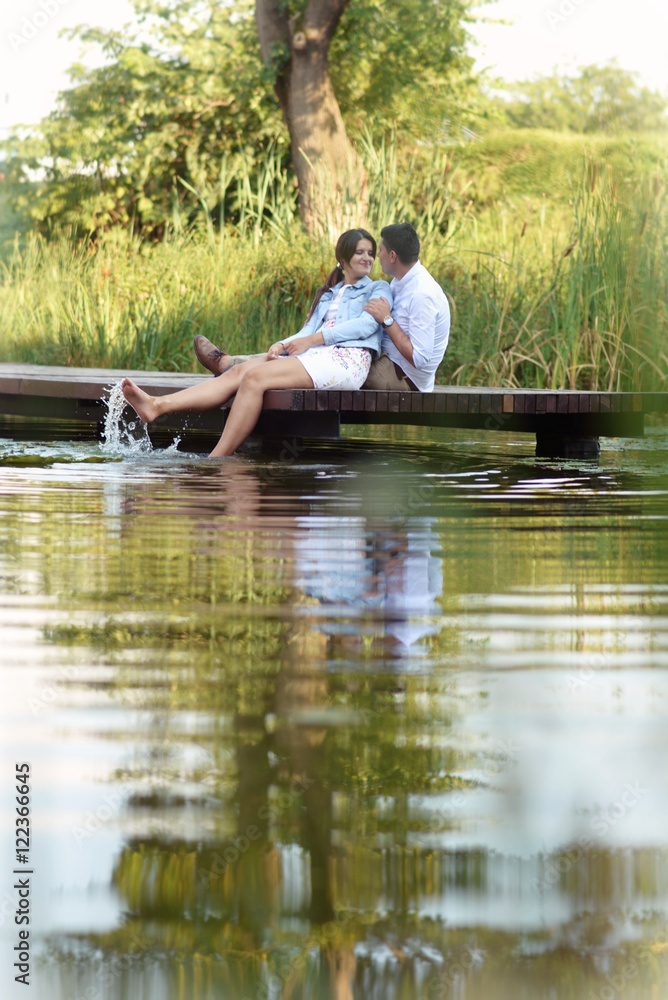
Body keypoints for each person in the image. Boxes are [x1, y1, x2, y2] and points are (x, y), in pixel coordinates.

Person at [120, 229, 392, 459]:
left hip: (347, 361)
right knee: (239, 371)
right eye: (360, 252)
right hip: (319, 354)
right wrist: (281, 344)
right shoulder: (330, 294)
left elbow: (367, 325)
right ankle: (156, 406)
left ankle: (216, 459)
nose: (367, 257)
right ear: (343, 258)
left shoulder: (378, 288)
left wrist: (313, 340)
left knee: (254, 378)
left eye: (370, 252)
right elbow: (307, 329)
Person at [193, 223, 450, 394]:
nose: (376, 257)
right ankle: (231, 364)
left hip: (402, 378)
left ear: (392, 256)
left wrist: (388, 321)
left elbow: (421, 359)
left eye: (379, 251)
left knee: (320, 358)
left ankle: (232, 365)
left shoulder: (422, 294)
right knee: (313, 353)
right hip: (384, 358)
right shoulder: (399, 281)